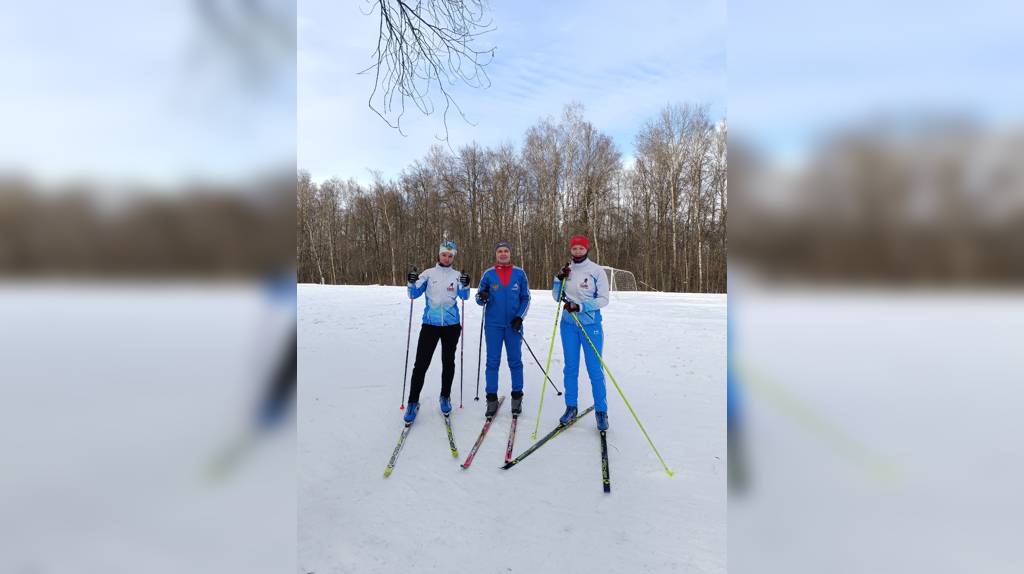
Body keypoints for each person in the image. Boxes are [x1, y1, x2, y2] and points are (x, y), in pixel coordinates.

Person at [403, 240, 470, 422]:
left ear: (453, 257)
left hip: (451, 326)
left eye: (450, 256)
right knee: (421, 364)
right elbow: (413, 294)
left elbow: (465, 297)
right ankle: (412, 402)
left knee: (448, 362)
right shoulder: (428, 274)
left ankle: (445, 396)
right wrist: (411, 282)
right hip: (430, 326)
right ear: (438, 255)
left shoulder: (457, 275)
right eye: (444, 255)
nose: (447, 258)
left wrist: (465, 284)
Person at [552, 234, 611, 430]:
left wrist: (581, 306)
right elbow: (556, 296)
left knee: (594, 369)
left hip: (590, 325)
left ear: (587, 249)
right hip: (568, 325)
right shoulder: (566, 269)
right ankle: (571, 407)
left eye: (581, 248)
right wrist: (558, 280)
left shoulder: (596, 271)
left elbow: (604, 299)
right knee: (570, 368)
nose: (577, 251)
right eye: (574, 248)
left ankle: (601, 411)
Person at [475, 241, 531, 418]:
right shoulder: (489, 274)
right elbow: (479, 297)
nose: (503, 254)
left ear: (510, 253)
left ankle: (517, 398)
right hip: (493, 326)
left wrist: (519, 317)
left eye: (506, 250)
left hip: (513, 325)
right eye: (500, 251)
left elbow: (526, 298)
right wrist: (482, 297)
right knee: (492, 362)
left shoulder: (519, 273)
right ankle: (491, 399)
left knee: (515, 361)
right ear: (496, 254)